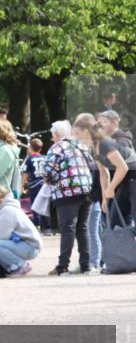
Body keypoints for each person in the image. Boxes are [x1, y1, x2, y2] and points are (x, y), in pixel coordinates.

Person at [44, 120, 93, 276]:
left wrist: (49, 179)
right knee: (83, 228)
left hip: (66, 191)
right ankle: (86, 266)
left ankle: (63, 266)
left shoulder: (57, 147)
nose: (52, 138)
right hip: (86, 190)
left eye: (53, 135)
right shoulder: (81, 145)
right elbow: (92, 165)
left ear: (57, 134)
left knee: (67, 228)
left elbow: (47, 170)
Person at [0, 184, 42, 277]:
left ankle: (21, 265)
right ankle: (9, 268)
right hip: (21, 244)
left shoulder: (7, 210)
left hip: (30, 247)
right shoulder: (0, 209)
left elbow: (1, 236)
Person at [72, 115, 107, 271]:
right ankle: (99, 261)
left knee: (93, 229)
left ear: (86, 131)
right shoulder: (95, 146)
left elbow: (103, 172)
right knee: (96, 228)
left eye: (78, 134)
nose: (78, 138)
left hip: (101, 192)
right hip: (97, 192)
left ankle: (95, 262)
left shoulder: (97, 146)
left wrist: (105, 195)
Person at [95, 110, 136, 225]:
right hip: (122, 185)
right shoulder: (101, 143)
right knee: (116, 223)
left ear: (114, 122)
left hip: (131, 180)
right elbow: (104, 173)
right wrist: (105, 197)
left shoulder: (122, 139)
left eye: (103, 122)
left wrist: (111, 188)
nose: (99, 125)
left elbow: (123, 168)